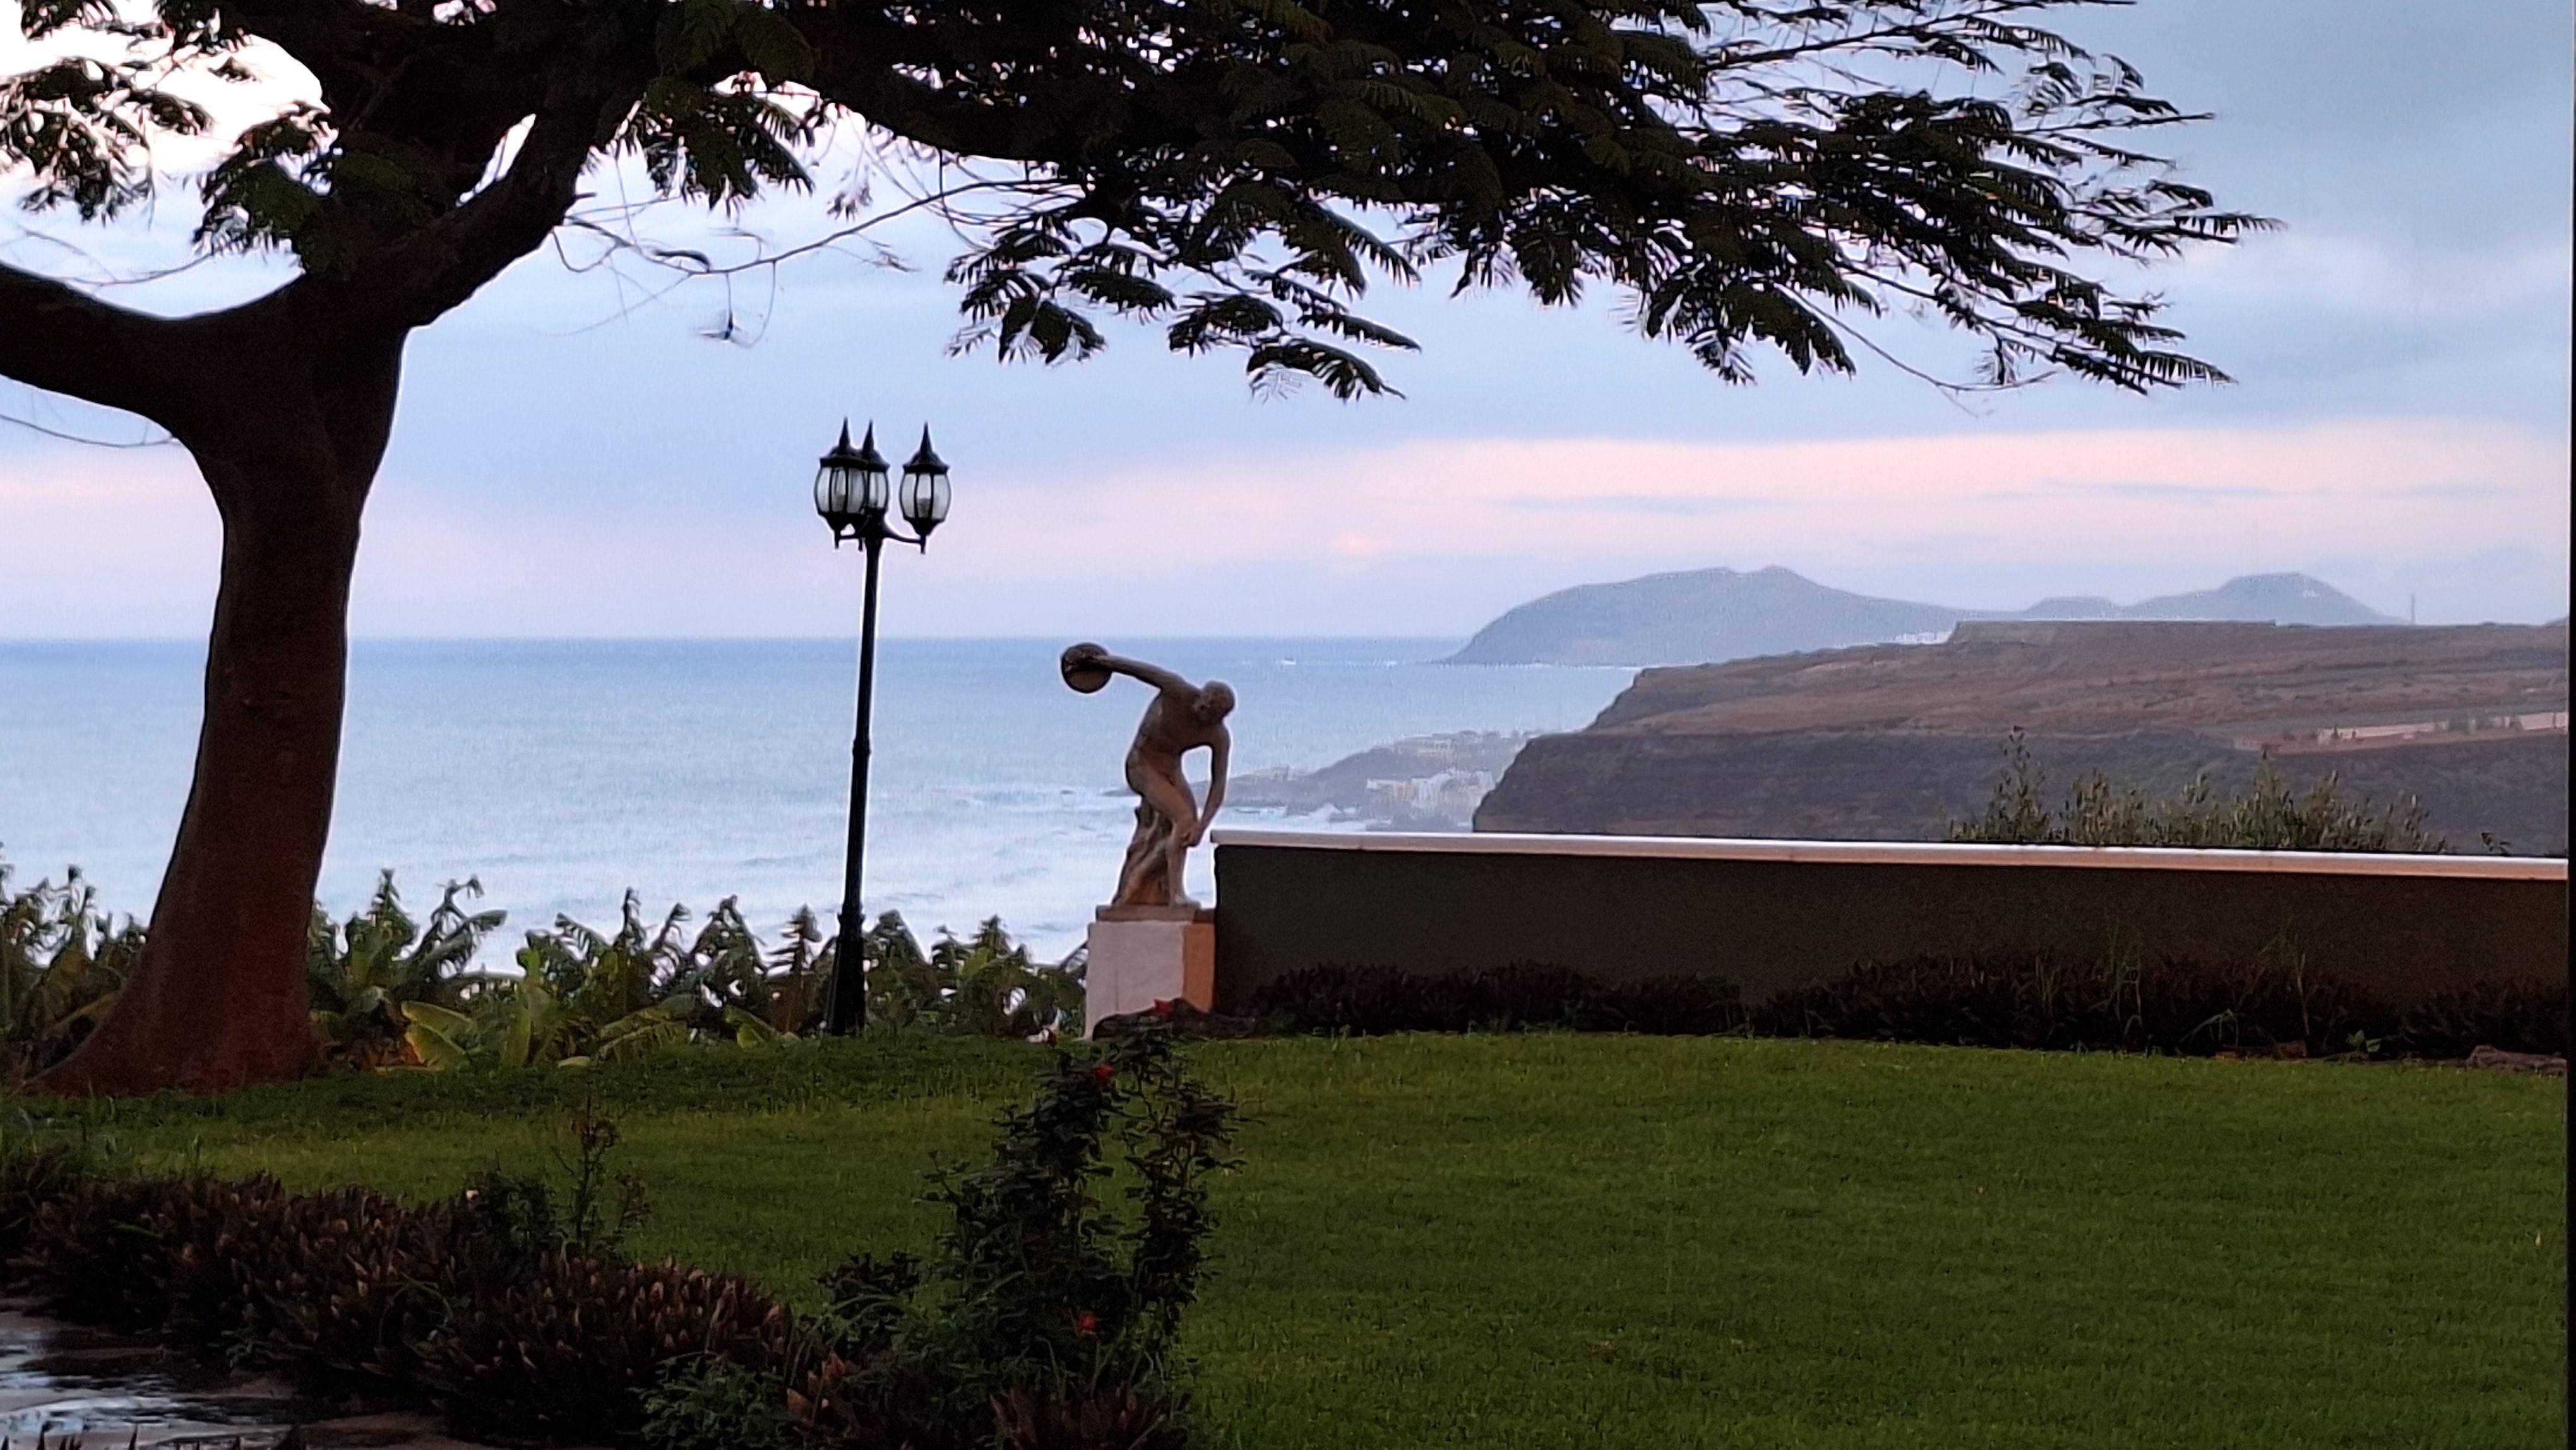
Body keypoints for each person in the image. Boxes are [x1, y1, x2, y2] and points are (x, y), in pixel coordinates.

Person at [1062, 643, 1234, 908]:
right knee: (1183, 818)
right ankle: (1175, 895)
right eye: (1205, 706)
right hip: (1141, 766)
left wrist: (1203, 826)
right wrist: (1099, 662)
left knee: (1188, 823)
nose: (1204, 714)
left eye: (1212, 714)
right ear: (1200, 696)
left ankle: (1155, 886)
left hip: (1170, 770)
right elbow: (1139, 671)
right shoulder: (1177, 690)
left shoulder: (1217, 735)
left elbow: (1219, 784)